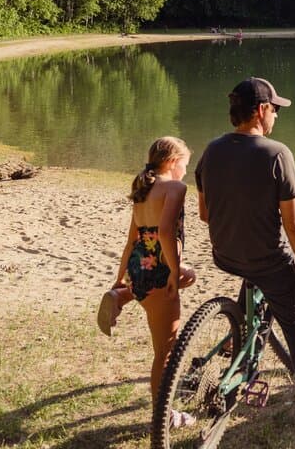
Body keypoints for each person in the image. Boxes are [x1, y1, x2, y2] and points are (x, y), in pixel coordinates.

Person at [195, 77, 295, 415]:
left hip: (225, 253)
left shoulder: (211, 150)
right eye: (275, 109)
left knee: (255, 274)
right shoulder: (277, 154)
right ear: (261, 110)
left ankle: (241, 343)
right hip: (266, 258)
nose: (277, 116)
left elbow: (205, 214)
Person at [97, 137, 198, 427]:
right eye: (185, 165)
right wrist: (171, 272)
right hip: (159, 269)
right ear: (172, 161)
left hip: (139, 267)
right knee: (165, 353)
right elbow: (166, 232)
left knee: (180, 280)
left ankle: (123, 295)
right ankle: (163, 416)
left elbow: (133, 238)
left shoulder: (143, 189)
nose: (185, 171)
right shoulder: (176, 188)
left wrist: (119, 279)